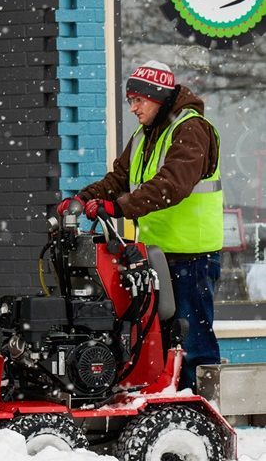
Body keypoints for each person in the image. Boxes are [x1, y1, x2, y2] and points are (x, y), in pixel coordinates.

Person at [57, 61, 223, 392]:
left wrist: (118, 207)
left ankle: (205, 411)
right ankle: (168, 403)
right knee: (157, 339)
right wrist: (82, 199)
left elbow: (172, 184)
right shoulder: (143, 135)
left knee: (193, 341)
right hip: (155, 254)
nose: (132, 108)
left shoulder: (191, 130)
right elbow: (119, 179)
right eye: (130, 100)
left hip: (192, 255)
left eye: (138, 100)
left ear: (158, 97)